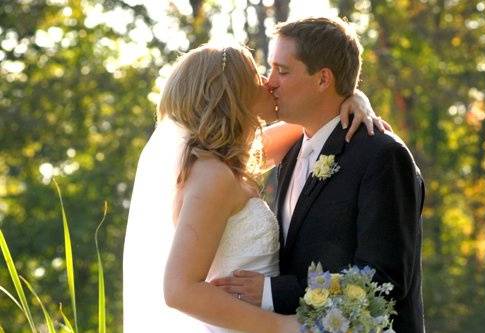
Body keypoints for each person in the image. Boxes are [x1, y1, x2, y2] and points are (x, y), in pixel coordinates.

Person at [122, 42, 386, 332]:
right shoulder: (214, 176)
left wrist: (355, 97)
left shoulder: (224, 165)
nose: (268, 83)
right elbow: (178, 290)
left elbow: (315, 120)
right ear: (234, 94)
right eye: (256, 77)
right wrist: (281, 327)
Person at [212, 17, 425, 333]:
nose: (269, 82)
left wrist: (272, 292)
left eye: (282, 71)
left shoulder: (382, 156)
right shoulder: (293, 149)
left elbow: (383, 281)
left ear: (324, 79)